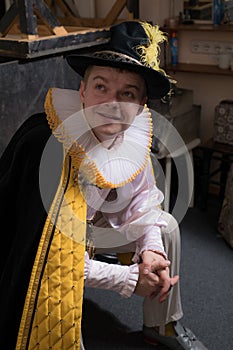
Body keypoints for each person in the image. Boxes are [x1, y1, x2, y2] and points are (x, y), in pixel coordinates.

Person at [0, 21, 208, 350]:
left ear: (140, 106)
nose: (112, 103)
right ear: (82, 92)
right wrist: (127, 279)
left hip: (93, 226)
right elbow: (52, 257)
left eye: (127, 93)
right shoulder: (46, 144)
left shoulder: (133, 137)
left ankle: (163, 324)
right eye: (101, 87)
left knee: (165, 226)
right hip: (40, 250)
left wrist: (150, 250)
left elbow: (143, 201)